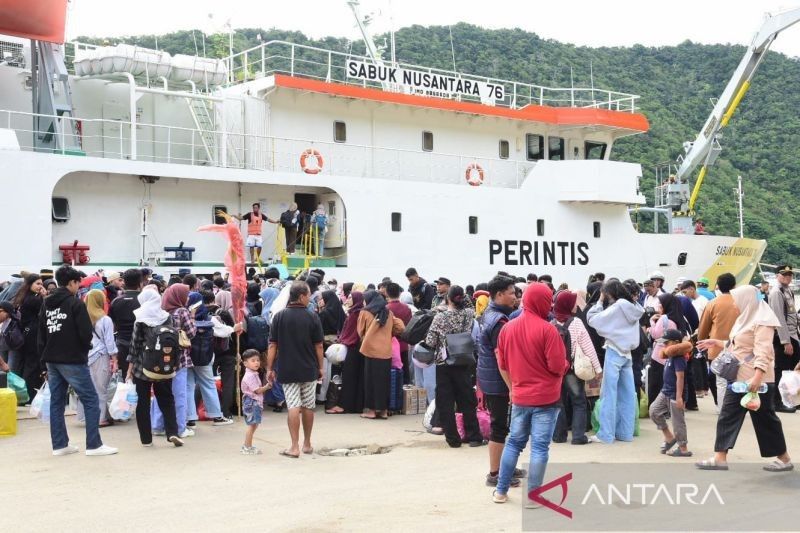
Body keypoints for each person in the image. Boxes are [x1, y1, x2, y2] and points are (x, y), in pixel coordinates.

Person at [696, 286, 793, 472]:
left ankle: (784, 458)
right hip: (741, 380)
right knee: (729, 416)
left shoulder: (763, 321)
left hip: (756, 382)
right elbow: (741, 345)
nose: (734, 304)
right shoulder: (746, 318)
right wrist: (717, 342)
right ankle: (720, 457)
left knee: (765, 420)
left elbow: (763, 352)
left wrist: (756, 378)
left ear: (748, 300)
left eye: (736, 300)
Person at [492, 283, 569, 505]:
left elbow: (502, 364)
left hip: (520, 397)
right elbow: (556, 366)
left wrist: (512, 389)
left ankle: (500, 491)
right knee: (539, 447)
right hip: (547, 398)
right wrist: (565, 364)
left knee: (514, 443)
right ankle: (534, 496)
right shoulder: (548, 330)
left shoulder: (508, 328)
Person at [38, 266, 118, 456]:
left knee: (57, 402)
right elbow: (85, 334)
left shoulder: (45, 304)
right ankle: (94, 444)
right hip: (72, 359)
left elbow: (41, 335)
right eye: (77, 283)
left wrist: (44, 361)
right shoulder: (76, 304)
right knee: (90, 399)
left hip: (51, 359)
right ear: (72, 283)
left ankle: (60, 445)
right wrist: (83, 351)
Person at [475, 275, 525, 487]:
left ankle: (507, 466)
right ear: (499, 294)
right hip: (498, 381)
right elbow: (501, 358)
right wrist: (512, 387)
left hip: (490, 378)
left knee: (505, 426)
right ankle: (495, 474)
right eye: (512, 293)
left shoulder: (491, 314)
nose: (515, 297)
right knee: (499, 427)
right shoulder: (499, 321)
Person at [267, 281, 324, 458]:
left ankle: (294, 447)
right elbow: (319, 346)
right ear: (301, 296)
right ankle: (307, 444)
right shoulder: (312, 316)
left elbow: (272, 345)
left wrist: (269, 368)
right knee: (308, 406)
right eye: (308, 295)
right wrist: (320, 367)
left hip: (287, 368)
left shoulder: (279, 316)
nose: (309, 299)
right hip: (309, 368)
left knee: (293, 405)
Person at [587, 279, 644, 444]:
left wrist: (599, 301)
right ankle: (625, 433)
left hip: (614, 350)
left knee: (609, 395)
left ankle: (606, 434)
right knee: (627, 394)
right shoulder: (634, 307)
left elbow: (593, 319)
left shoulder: (618, 306)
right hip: (628, 353)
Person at [424, 285, 481, 447]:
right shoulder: (469, 314)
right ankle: (474, 436)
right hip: (464, 361)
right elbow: (470, 305)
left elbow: (430, 341)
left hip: (444, 363)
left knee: (445, 401)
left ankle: (453, 438)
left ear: (447, 298)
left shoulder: (440, 318)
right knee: (467, 399)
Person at [126, 287, 183, 447]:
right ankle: (172, 432)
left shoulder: (140, 317)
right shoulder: (166, 317)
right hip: (163, 365)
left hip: (142, 368)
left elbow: (134, 346)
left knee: (142, 403)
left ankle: (146, 439)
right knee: (167, 400)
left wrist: (129, 370)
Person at [551, 290, 602, 445]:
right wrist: (598, 369)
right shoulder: (576, 322)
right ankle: (578, 436)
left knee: (558, 403)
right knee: (578, 401)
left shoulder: (551, 324)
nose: (575, 305)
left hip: (555, 372)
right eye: (573, 302)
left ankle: (559, 436)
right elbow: (588, 347)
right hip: (572, 370)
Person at [152, 284, 196, 438]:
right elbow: (191, 333)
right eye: (186, 294)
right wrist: (193, 317)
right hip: (179, 359)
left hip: (161, 359)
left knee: (161, 394)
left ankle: (158, 425)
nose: (188, 297)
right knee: (179, 394)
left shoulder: (160, 311)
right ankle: (180, 428)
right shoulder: (182, 311)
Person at [185, 293, 233, 426]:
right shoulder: (209, 318)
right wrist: (234, 328)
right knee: (208, 385)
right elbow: (224, 332)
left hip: (186, 358)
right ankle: (217, 416)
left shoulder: (184, 317)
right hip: (204, 358)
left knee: (188, 386)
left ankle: (190, 418)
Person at [358, 290, 405, 419]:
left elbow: (360, 331)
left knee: (371, 382)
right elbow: (400, 327)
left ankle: (371, 411)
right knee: (384, 382)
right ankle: (383, 411)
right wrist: (388, 334)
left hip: (371, 351)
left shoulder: (365, 312)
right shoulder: (388, 312)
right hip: (385, 352)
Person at [75, 289, 117, 428]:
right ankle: (100, 418)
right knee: (101, 388)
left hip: (83, 357)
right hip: (100, 356)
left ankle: (85, 417)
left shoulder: (80, 318)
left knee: (86, 388)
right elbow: (109, 342)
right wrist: (114, 359)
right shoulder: (105, 319)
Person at [697, 273, 739, 409]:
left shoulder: (712, 303)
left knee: (720, 382)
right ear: (734, 286)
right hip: (739, 348)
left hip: (716, 350)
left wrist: (701, 343)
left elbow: (703, 329)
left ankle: (722, 409)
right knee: (738, 380)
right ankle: (738, 408)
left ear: (718, 287)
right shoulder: (740, 302)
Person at [649, 329, 692, 457]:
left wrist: (679, 397)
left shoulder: (679, 358)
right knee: (654, 411)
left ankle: (683, 447)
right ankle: (669, 437)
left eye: (667, 343)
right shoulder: (670, 356)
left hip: (675, 393)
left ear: (676, 343)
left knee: (678, 421)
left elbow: (680, 378)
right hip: (665, 391)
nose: (665, 345)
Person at [768, 264, 800, 413]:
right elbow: (778, 318)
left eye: (789, 274)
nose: (787, 276)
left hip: (793, 335)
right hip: (783, 336)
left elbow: (793, 315)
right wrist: (785, 341)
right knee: (781, 370)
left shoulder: (788, 290)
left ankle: (793, 400)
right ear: (777, 275)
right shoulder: (776, 292)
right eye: (784, 274)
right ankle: (777, 402)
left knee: (794, 370)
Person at [326, 291, 365, 414]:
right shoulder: (357, 313)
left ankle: (347, 406)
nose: (347, 300)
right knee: (355, 378)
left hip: (352, 349)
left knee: (349, 378)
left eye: (350, 298)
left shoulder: (355, 315)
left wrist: (341, 341)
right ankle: (355, 406)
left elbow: (350, 334)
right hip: (357, 349)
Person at [13, 273, 45, 401]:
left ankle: (26, 394)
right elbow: (45, 308)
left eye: (41, 284)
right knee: (32, 365)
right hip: (32, 335)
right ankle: (30, 395)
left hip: (26, 334)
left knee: (27, 364)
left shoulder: (23, 296)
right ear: (30, 284)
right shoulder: (33, 299)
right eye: (37, 284)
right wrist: (44, 296)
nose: (40, 286)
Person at [108, 269, 142, 380]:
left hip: (122, 343)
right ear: (140, 283)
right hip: (142, 345)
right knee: (141, 380)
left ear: (124, 282)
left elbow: (112, 322)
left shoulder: (116, 301)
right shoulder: (144, 300)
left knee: (124, 377)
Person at [240, 349, 271, 455]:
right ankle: (246, 446)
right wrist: (267, 387)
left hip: (254, 401)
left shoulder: (253, 374)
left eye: (257, 360)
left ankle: (248, 445)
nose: (256, 362)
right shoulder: (249, 376)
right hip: (252, 402)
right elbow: (257, 390)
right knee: (252, 424)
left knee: (254, 424)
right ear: (245, 363)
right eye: (253, 360)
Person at [385, 282, 413, 384]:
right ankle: (405, 395)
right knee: (405, 373)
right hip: (404, 344)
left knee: (391, 375)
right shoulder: (406, 308)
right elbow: (409, 326)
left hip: (390, 345)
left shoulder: (386, 309)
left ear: (387, 293)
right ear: (399, 293)